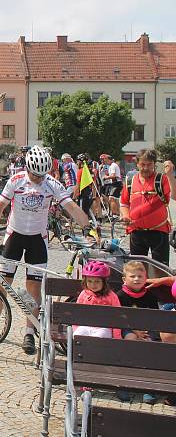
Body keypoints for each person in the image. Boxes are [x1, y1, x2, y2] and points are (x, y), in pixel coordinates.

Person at [0, 145, 90, 355]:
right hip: (14, 236)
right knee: (2, 283)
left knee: (33, 288)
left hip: (37, 240)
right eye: (35, 175)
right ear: (27, 168)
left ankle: (29, 331)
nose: (39, 179)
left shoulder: (51, 183)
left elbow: (71, 207)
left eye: (43, 175)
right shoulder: (16, 180)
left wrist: (88, 227)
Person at [120, 149, 176, 267]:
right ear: (137, 164)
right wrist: (125, 216)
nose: (145, 168)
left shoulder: (161, 179)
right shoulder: (130, 180)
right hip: (136, 232)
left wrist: (170, 175)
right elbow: (124, 203)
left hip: (158, 231)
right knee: (137, 269)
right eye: (143, 164)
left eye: (149, 164)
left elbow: (174, 196)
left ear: (154, 164)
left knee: (160, 268)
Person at [115, 260, 161, 403]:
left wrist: (145, 331)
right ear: (124, 279)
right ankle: (123, 384)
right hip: (127, 328)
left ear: (145, 278)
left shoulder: (150, 296)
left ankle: (148, 386)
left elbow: (156, 317)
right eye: (133, 276)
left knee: (151, 345)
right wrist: (135, 331)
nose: (136, 279)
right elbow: (119, 318)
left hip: (148, 328)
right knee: (130, 341)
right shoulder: (120, 295)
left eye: (140, 276)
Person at [74, 261, 121, 339]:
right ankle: (80, 351)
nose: (93, 285)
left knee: (98, 338)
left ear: (104, 282)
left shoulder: (111, 296)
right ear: (85, 281)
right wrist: (76, 329)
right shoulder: (84, 294)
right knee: (78, 335)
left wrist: (117, 336)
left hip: (104, 327)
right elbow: (77, 313)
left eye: (97, 281)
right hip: (85, 325)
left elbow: (117, 317)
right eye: (89, 281)